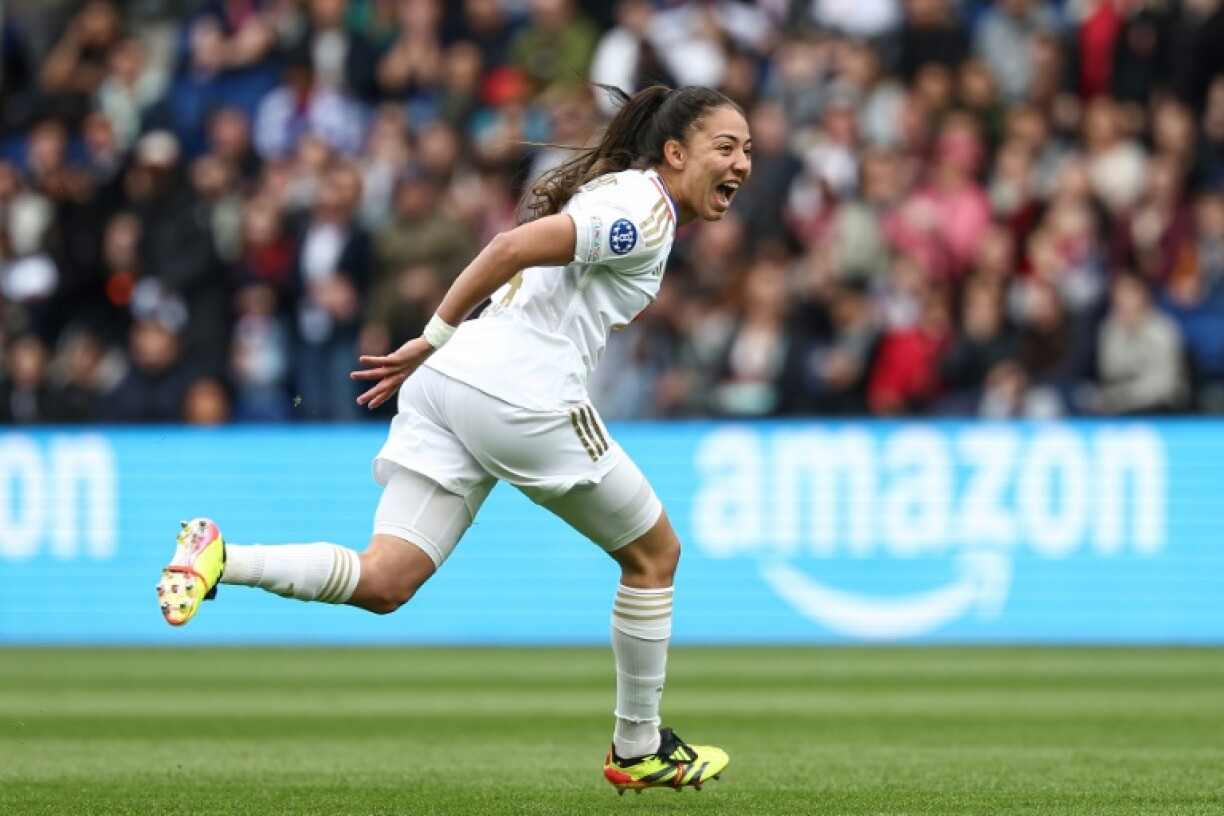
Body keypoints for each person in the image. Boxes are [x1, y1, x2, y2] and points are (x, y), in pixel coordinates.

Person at [157, 84, 752, 793]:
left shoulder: (624, 196)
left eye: (748, 149)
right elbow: (511, 245)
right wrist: (430, 335)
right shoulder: (642, 212)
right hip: (518, 393)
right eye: (726, 146)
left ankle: (219, 556)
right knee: (656, 555)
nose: (742, 162)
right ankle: (637, 748)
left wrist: (439, 351)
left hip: (452, 384)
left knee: (385, 581)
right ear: (676, 152)